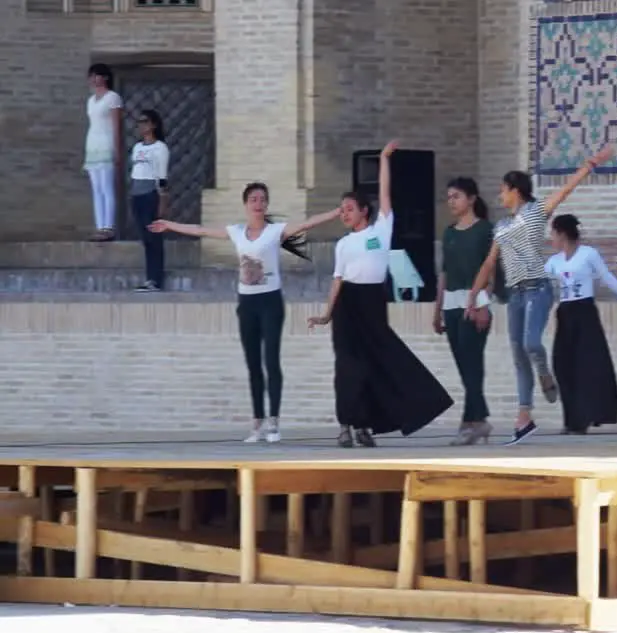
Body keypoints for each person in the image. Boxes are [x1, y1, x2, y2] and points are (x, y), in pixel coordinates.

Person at [150, 185, 337, 443]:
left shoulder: (274, 231)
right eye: (253, 199)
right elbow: (201, 230)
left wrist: (337, 212)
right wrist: (169, 225)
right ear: (246, 204)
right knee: (252, 364)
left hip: (271, 301)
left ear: (267, 205)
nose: (258, 203)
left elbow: (308, 223)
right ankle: (257, 423)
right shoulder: (237, 232)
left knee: (271, 360)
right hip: (246, 302)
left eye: (262, 199)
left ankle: (274, 423)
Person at [308, 140, 454, 448]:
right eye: (342, 210)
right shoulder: (343, 244)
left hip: (372, 301)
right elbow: (337, 280)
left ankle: (367, 424)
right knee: (347, 365)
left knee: (376, 363)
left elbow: (385, 194)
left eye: (350, 209)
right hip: (347, 304)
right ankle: (346, 424)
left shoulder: (379, 231)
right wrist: (326, 314)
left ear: (364, 210)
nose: (344, 214)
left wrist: (386, 159)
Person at [468, 146, 614, 446]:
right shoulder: (502, 227)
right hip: (515, 295)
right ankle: (524, 417)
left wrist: (588, 166)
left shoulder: (535, 212)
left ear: (515, 191)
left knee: (531, 342)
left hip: (538, 288)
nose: (500, 195)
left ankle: (546, 374)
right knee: (519, 356)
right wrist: (474, 295)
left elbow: (564, 191)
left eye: (503, 190)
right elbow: (489, 262)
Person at [544, 214, 617, 434]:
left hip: (585, 312)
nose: (550, 237)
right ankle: (570, 419)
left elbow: (606, 277)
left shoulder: (588, 254)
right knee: (563, 365)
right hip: (565, 313)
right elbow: (538, 284)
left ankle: (586, 418)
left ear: (562, 233)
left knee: (588, 367)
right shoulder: (554, 262)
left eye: (553, 233)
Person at [434, 177, 495, 446]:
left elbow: (490, 270)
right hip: (451, 304)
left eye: (456, 196)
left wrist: (482, 304)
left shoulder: (484, 230)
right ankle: (479, 420)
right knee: (464, 367)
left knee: (473, 366)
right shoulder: (448, 233)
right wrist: (437, 310)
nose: (451, 202)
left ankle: (470, 422)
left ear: (471, 198)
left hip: (475, 303)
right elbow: (444, 273)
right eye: (449, 197)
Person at [128, 109, 170, 292]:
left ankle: (156, 279)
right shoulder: (137, 148)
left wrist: (162, 200)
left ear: (153, 124)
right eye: (139, 122)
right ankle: (149, 277)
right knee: (145, 238)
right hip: (137, 193)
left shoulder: (160, 148)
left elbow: (162, 176)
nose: (141, 125)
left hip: (150, 193)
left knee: (154, 237)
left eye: (145, 121)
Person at [85, 63, 124, 242]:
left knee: (107, 187)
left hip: (107, 143)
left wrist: (117, 149)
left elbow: (116, 126)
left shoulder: (113, 98)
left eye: (97, 75)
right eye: (91, 76)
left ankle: (109, 227)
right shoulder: (91, 100)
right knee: (96, 189)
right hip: (92, 144)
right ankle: (99, 226)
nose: (93, 79)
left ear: (105, 77)